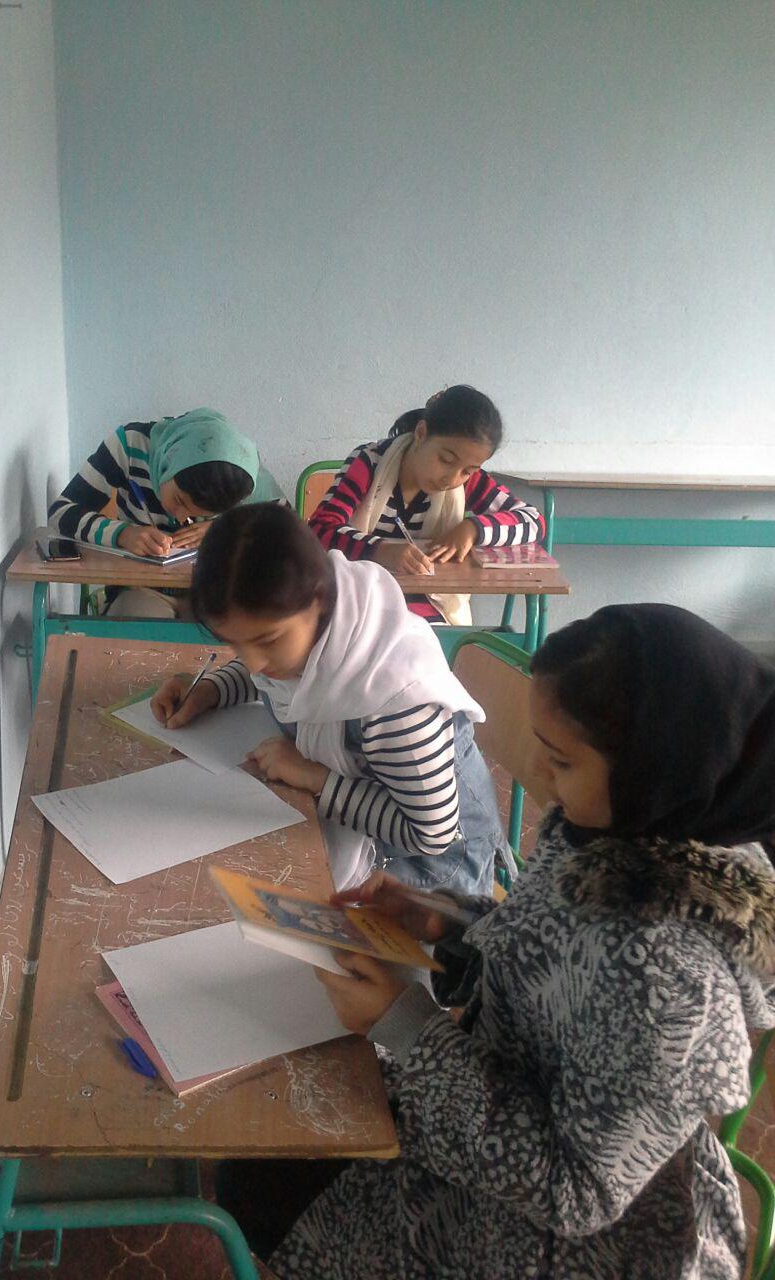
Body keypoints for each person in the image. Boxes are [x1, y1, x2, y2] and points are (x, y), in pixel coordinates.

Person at [259, 604, 775, 1279]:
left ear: (655, 767)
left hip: (567, 1244)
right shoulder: (620, 829)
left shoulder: (671, 984)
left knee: (272, 1179)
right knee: (276, 1145)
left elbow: (574, 1193)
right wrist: (448, 921)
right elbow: (550, 955)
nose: (535, 771)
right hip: (490, 1099)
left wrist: (404, 1026)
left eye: (560, 759)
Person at [150, 503, 510, 894]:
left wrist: (315, 778)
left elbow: (431, 835)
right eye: (235, 644)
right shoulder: (317, 630)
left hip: (430, 875)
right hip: (360, 822)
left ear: (318, 600)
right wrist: (211, 690)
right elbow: (277, 676)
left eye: (267, 641)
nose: (253, 663)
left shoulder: (395, 704)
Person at [309, 385, 544, 624]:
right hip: (361, 594)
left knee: (425, 637)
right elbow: (319, 530)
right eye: (445, 460)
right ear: (421, 433)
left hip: (428, 600)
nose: (452, 479)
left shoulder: (466, 483)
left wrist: (473, 529)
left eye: (468, 471)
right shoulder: (369, 462)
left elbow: (533, 521)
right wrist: (380, 550)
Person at [47, 407, 285, 617]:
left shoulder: (241, 472)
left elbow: (286, 533)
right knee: (139, 631)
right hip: (139, 588)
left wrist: (226, 528)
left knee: (228, 635)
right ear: (169, 463)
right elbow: (61, 511)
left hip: (215, 591)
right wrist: (123, 534)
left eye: (202, 513)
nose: (180, 518)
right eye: (179, 500)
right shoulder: (129, 447)